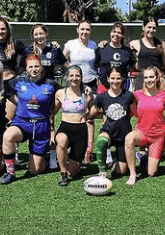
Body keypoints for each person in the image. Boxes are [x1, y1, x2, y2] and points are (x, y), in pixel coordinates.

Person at [0, 54, 59, 184]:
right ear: (26, 69)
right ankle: (10, 172)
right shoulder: (19, 82)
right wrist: (19, 103)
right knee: (8, 136)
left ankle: (42, 159)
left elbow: (62, 96)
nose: (34, 69)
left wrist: (52, 112)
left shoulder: (51, 84)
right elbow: (3, 88)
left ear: (41, 67)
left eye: (36, 66)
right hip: (22, 122)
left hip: (41, 125)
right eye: (30, 67)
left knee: (35, 170)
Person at [125, 67, 165, 185]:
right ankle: (133, 173)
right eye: (146, 77)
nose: (148, 80)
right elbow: (130, 113)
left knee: (151, 172)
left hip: (158, 136)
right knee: (129, 138)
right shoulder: (137, 95)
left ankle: (144, 157)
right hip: (142, 133)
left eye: (151, 77)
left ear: (157, 78)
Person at [87, 67, 136, 177]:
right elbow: (91, 114)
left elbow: (136, 113)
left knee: (121, 171)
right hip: (108, 131)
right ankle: (102, 171)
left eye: (118, 78)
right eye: (112, 78)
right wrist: (88, 101)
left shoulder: (128, 96)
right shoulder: (101, 97)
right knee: (101, 143)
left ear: (123, 79)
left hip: (124, 135)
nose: (115, 81)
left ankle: (116, 159)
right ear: (108, 79)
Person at [63, 19, 99, 163]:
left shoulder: (93, 45)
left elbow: (97, 63)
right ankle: (74, 147)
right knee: (74, 116)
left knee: (89, 118)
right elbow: (61, 58)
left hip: (91, 83)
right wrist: (70, 71)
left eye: (87, 29)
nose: (85, 32)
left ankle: (88, 150)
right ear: (77, 30)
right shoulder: (70, 44)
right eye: (82, 29)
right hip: (74, 85)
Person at [52, 65, 92, 186]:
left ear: (81, 77)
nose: (74, 78)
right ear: (67, 78)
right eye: (71, 75)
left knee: (73, 172)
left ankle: (71, 163)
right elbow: (51, 113)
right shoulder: (60, 93)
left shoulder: (87, 92)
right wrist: (52, 132)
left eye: (77, 75)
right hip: (65, 127)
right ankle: (63, 173)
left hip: (81, 130)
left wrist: (89, 145)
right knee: (61, 141)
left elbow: (90, 119)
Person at [95, 22, 136, 94]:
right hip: (104, 87)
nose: (116, 34)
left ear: (122, 35)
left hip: (122, 88)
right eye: (114, 31)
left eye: (119, 32)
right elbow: (95, 65)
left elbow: (134, 66)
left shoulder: (127, 51)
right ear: (110, 33)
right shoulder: (102, 49)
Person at [129, 16, 165, 91]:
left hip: (156, 81)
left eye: (154, 28)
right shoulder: (134, 44)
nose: (151, 30)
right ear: (143, 27)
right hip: (142, 81)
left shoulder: (161, 44)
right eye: (149, 27)